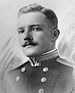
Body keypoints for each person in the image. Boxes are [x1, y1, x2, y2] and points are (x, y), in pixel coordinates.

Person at [0, 3, 75, 93]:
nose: (26, 36)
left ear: (54, 35)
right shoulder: (10, 77)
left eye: (35, 29)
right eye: (21, 31)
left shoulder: (70, 73)